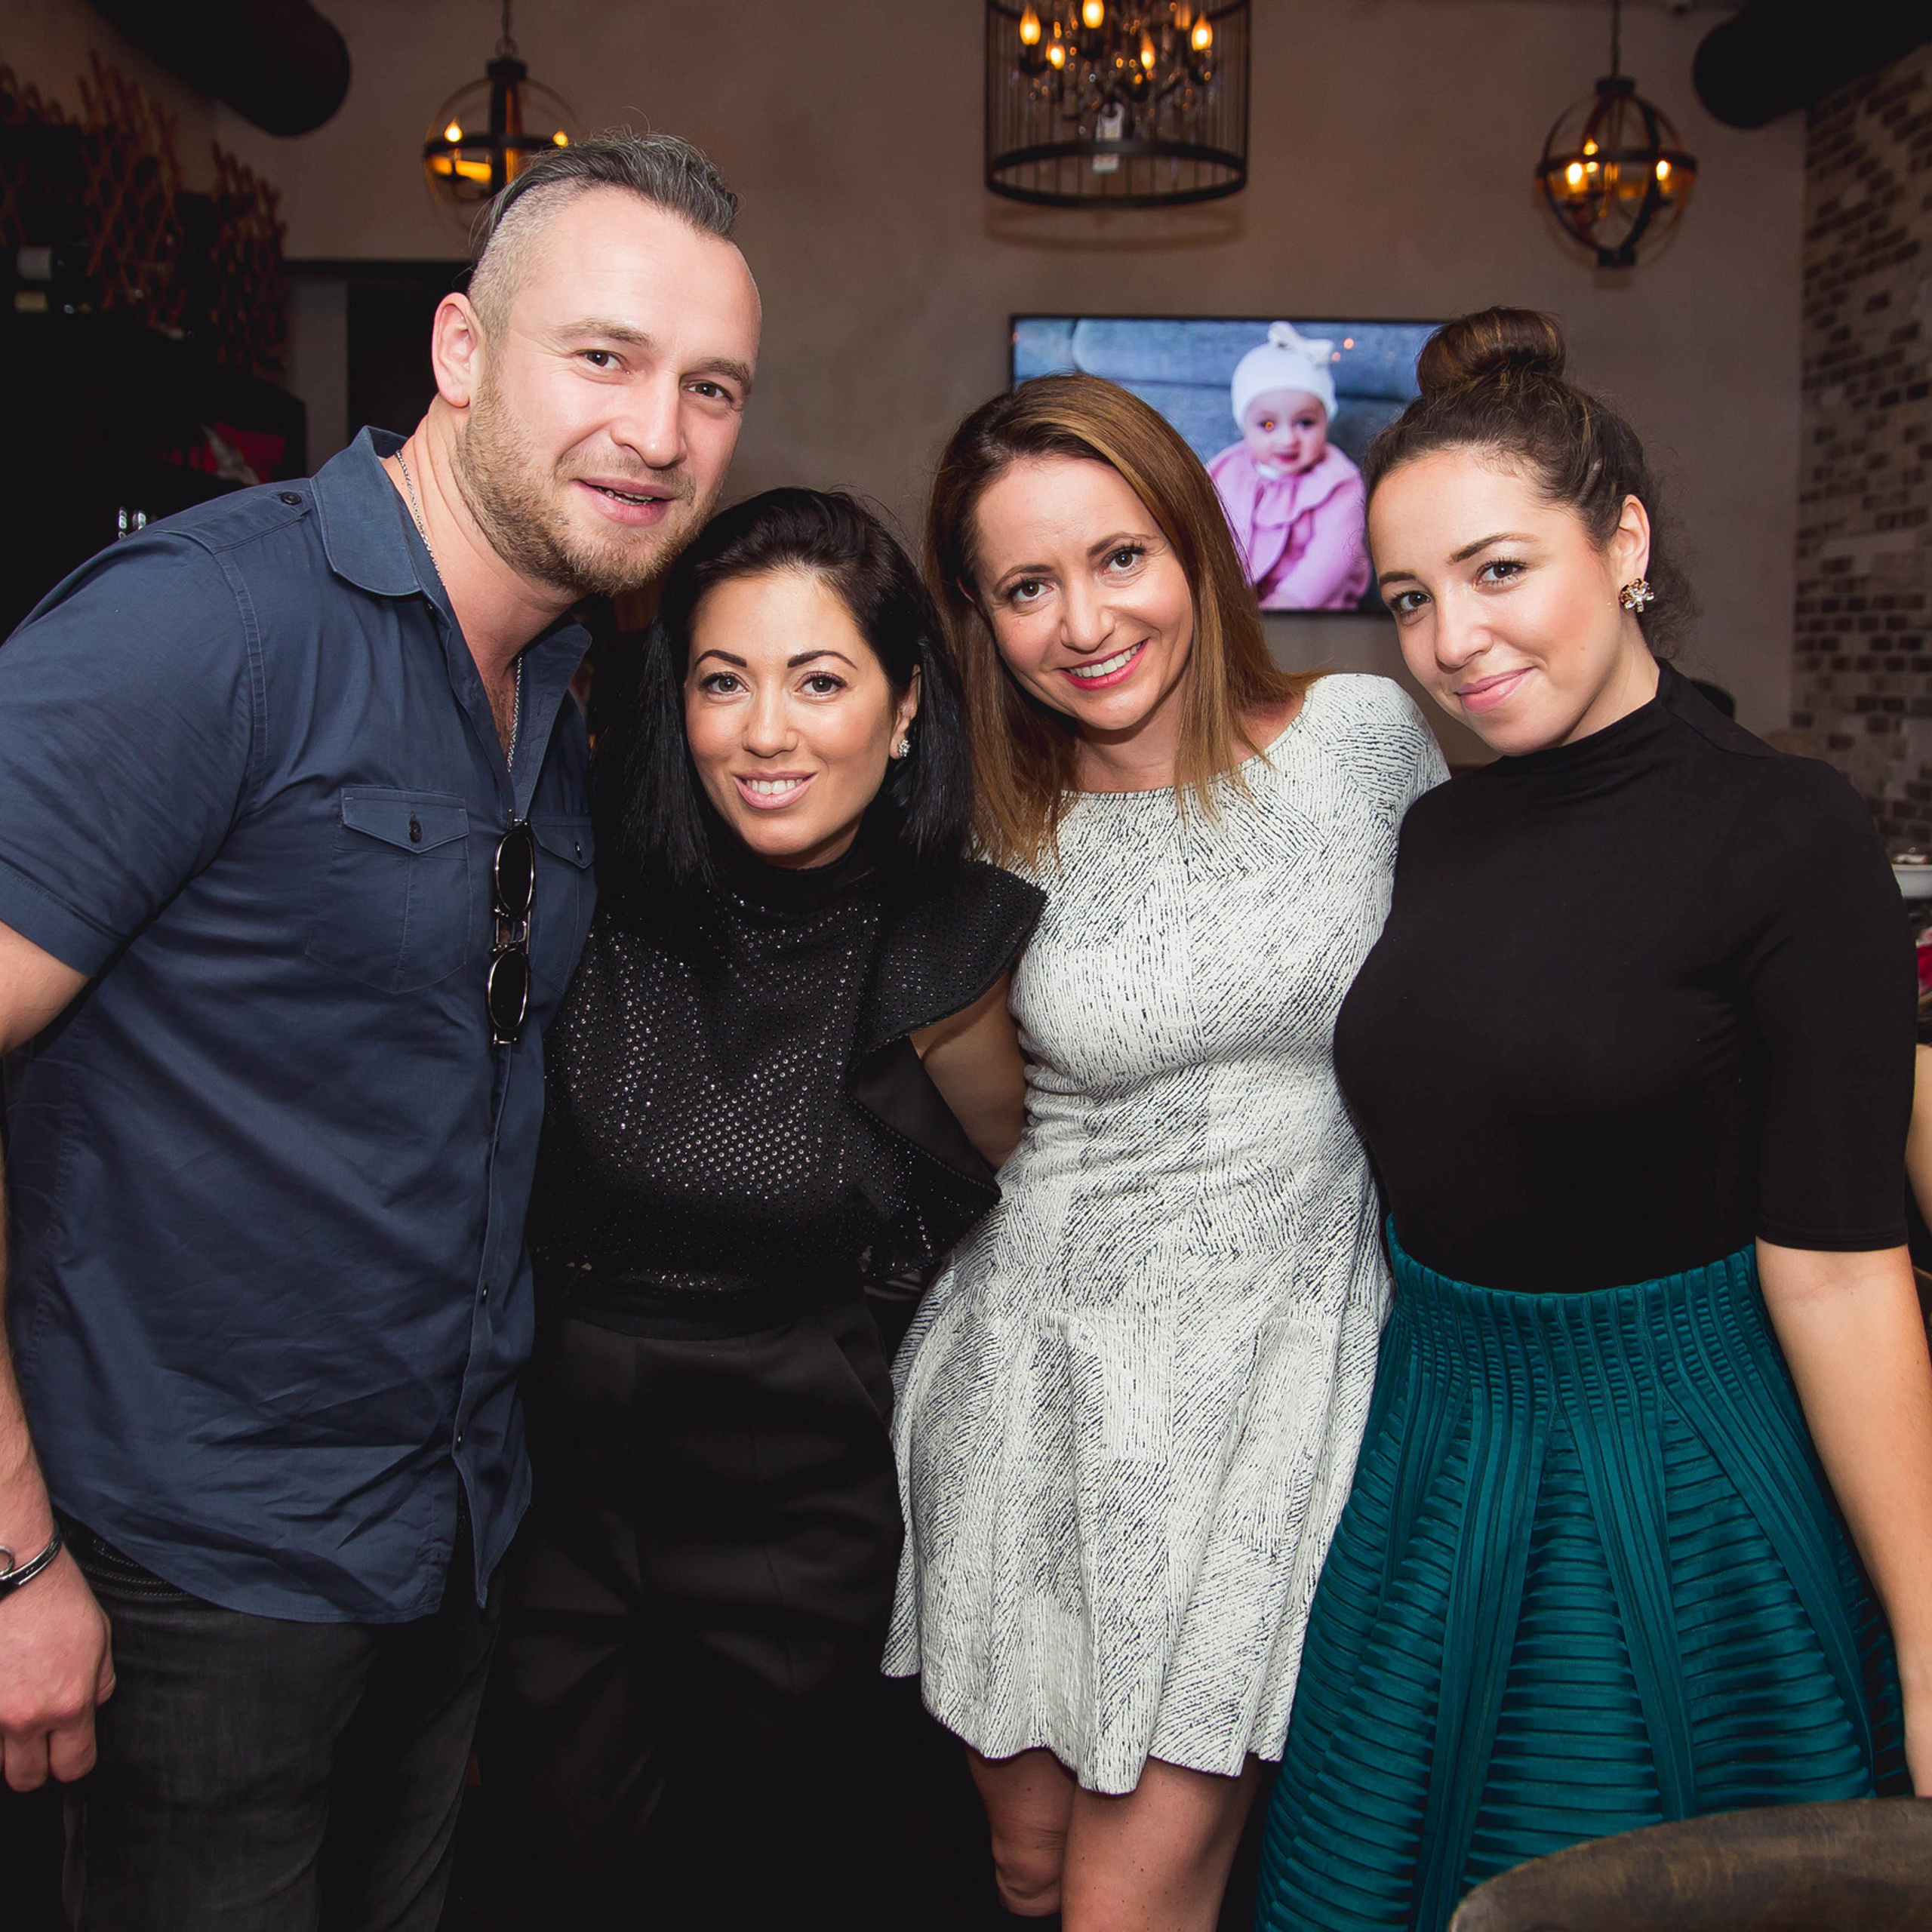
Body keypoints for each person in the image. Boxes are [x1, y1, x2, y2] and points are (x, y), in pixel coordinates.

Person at [0, 132, 760, 1930]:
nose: (657, 429)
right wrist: (12, 1550)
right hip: (179, 1572)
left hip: (445, 1547)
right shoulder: (206, 626)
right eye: (604, 355)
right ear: (460, 351)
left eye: (711, 385)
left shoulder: (563, 682)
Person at [1254, 309, 1932, 1932]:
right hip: (1431, 1452)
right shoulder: (1437, 832)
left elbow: (1844, 1272)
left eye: (1497, 571)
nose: (1450, 639)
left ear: (1622, 542)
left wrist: (1930, 1636)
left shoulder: (1784, 831)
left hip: (1673, 1481)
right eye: (1408, 598)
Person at [887, 373, 1447, 1929]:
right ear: (980, 616)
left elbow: (1477, 1003)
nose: (1083, 621)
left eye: (1119, 556)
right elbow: (976, 1107)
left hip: (1279, 1385)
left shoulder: (1362, 742)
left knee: (1127, 1899)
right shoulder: (990, 827)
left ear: (1196, 542)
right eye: (1026, 586)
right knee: (1029, 1867)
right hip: (1036, 1389)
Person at [489, 488, 1043, 1929]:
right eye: (724, 682)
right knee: (558, 1883)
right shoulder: (593, 898)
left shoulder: (951, 952)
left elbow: (1011, 1210)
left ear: (905, 707)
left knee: (796, 1886)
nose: (765, 732)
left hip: (803, 1511)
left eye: (820, 681)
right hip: (564, 1502)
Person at [1207, 322, 1371, 611]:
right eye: (1268, 425)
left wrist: (1291, 600)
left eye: (1305, 423)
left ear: (1326, 421)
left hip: (1311, 606)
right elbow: (1204, 532)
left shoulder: (1339, 483)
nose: (1287, 439)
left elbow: (1332, 557)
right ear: (1244, 425)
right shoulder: (1225, 470)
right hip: (1235, 605)